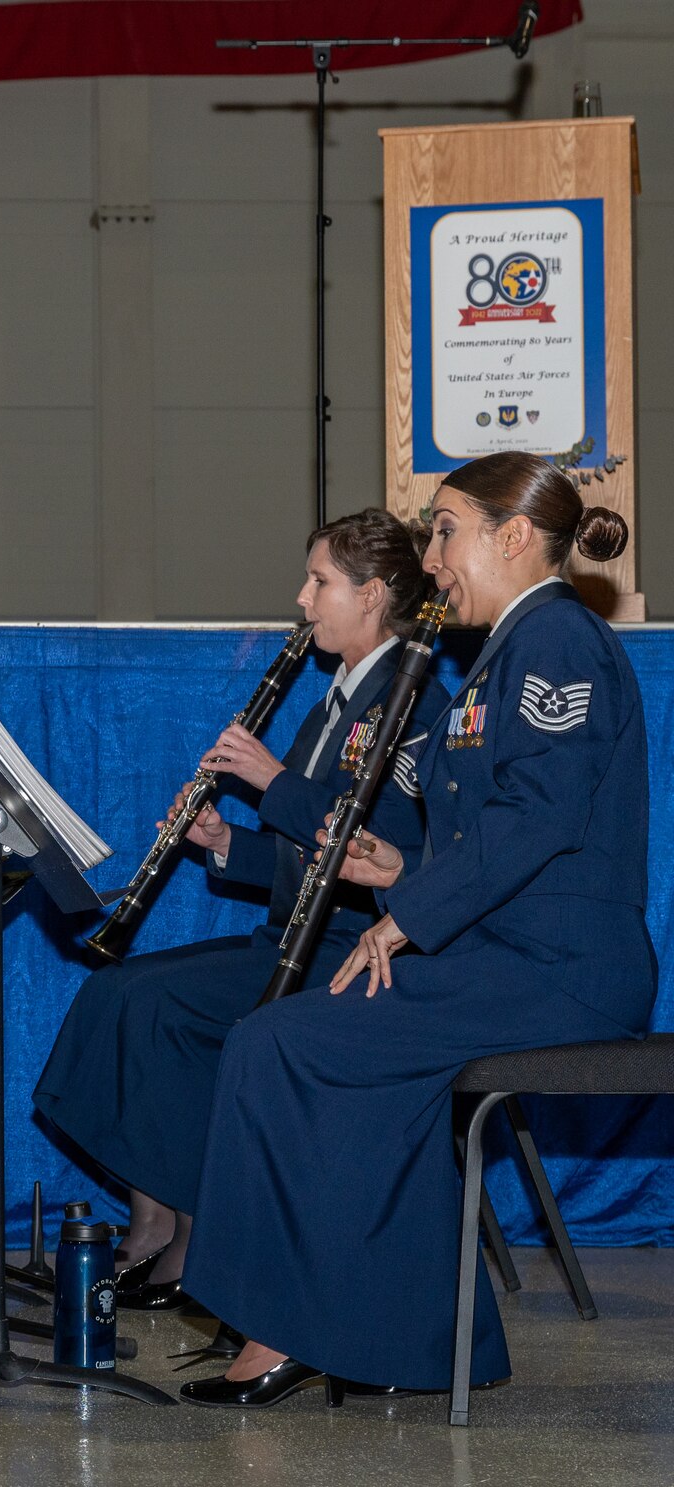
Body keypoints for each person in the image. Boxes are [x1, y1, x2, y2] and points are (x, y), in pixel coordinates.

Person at [180, 452, 654, 1407]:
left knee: (283, 1039)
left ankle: (289, 1321)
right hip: (506, 953)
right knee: (316, 1045)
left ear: (512, 535)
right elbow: (492, 837)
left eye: (446, 530)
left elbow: (539, 817)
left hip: (562, 968)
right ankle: (391, 1335)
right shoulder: (504, 653)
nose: (430, 558)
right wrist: (401, 872)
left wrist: (404, 922)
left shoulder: (557, 641)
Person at [35, 508, 445, 1315]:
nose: (302, 598)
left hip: (349, 953)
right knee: (122, 990)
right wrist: (225, 842)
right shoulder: (339, 701)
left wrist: (267, 780)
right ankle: (162, 1218)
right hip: (292, 934)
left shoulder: (412, 706)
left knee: (149, 1006)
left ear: (373, 597)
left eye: (320, 581)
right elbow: (299, 855)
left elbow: (371, 852)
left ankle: (192, 1232)